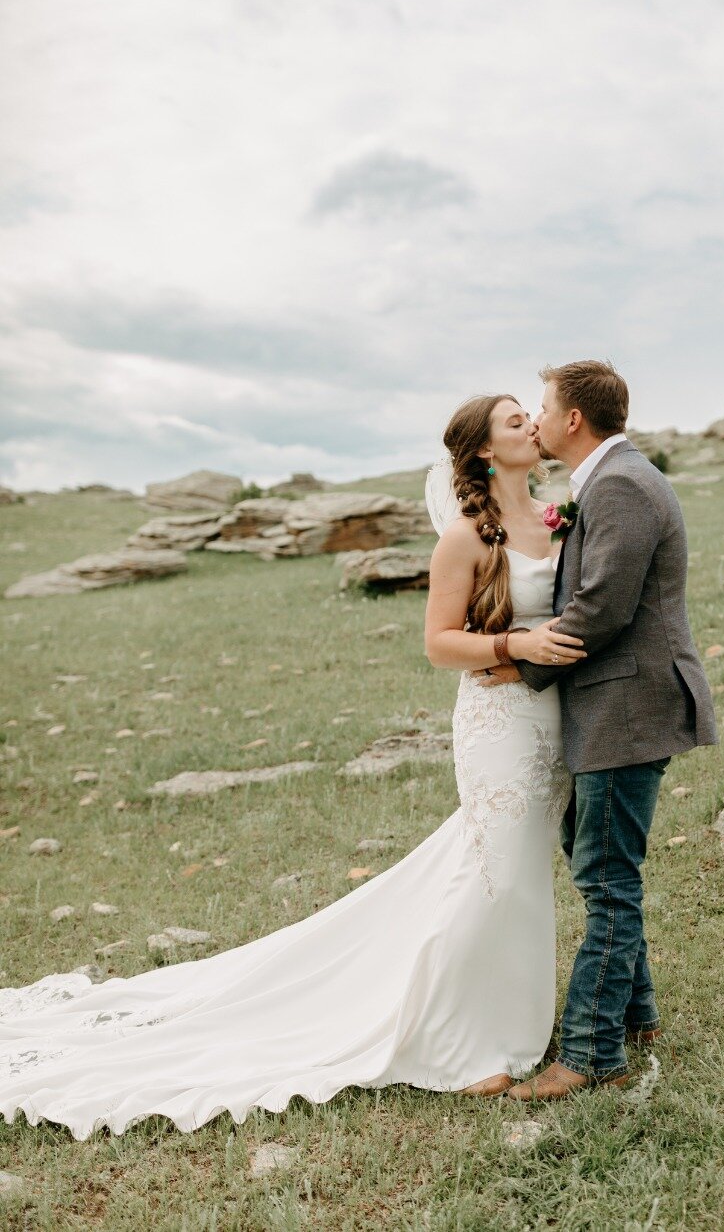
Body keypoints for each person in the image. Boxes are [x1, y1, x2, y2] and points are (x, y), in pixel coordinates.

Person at [0, 393, 582, 1138]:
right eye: (513, 422)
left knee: (523, 873)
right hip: (499, 723)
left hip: (553, 721)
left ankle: (505, 1015)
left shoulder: (561, 513)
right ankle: (459, 1039)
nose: (532, 425)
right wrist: (516, 647)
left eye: (529, 417)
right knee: (497, 873)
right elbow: (439, 644)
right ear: (481, 453)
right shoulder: (466, 536)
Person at [483, 360, 718, 1100]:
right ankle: (637, 1015)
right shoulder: (611, 481)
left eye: (545, 408)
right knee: (600, 864)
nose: (539, 420)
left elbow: (603, 608)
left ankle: (587, 1055)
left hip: (626, 707)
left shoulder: (619, 486)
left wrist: (517, 668)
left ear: (573, 420)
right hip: (614, 706)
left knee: (606, 880)